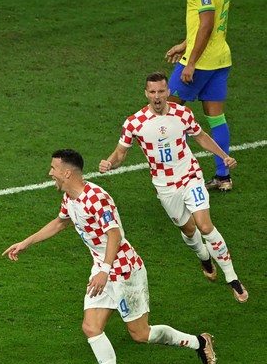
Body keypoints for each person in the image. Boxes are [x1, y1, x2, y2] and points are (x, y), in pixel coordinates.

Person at [2, 149, 218, 364]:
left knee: (141, 334)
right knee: (91, 327)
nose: (50, 173)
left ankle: (199, 342)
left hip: (123, 269)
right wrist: (25, 243)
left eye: (54, 168)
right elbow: (60, 223)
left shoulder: (97, 198)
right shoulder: (71, 199)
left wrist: (105, 269)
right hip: (102, 270)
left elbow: (114, 233)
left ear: (67, 172)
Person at [100, 72, 247, 303]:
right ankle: (203, 255)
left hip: (190, 176)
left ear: (168, 92)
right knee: (189, 230)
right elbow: (120, 153)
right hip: (165, 187)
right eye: (152, 92)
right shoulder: (134, 123)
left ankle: (232, 278)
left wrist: (223, 156)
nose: (157, 96)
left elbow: (201, 137)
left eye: (161, 91)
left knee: (205, 226)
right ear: (146, 94)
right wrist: (109, 162)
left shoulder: (183, 114)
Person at [165, 0, 234, 190]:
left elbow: (206, 25)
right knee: (216, 118)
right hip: (220, 59)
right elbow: (210, 26)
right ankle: (223, 176)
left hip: (201, 63)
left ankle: (175, 175)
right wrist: (184, 43)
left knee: (164, 111)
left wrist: (190, 61)